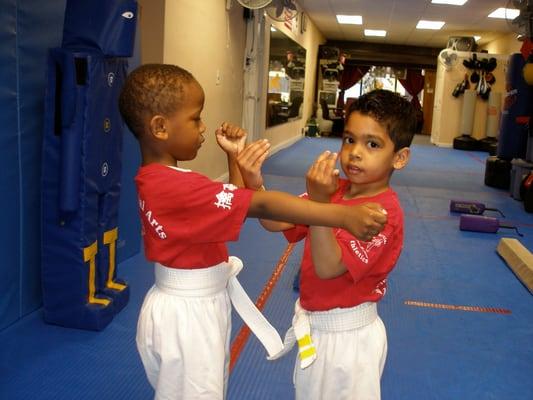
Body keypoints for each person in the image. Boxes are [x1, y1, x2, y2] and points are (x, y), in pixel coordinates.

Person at [117, 63, 388, 400]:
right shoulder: (173, 187)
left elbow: (233, 206)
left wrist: (233, 159)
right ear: (160, 127)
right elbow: (259, 206)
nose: (203, 127)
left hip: (191, 307)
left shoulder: (165, 181)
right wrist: (340, 216)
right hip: (188, 316)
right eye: (195, 118)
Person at [243, 89, 417, 400]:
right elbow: (273, 221)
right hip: (317, 329)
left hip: (350, 341)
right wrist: (253, 179)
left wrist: (321, 203)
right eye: (349, 139)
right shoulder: (337, 191)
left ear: (399, 158)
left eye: (372, 144)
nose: (355, 152)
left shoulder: (382, 213)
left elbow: (327, 268)